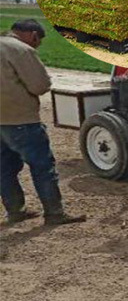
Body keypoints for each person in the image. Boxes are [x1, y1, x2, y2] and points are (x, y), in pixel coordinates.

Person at [0, 20, 86, 226]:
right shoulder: (21, 50)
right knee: (42, 167)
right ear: (33, 35)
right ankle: (55, 213)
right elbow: (40, 85)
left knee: (3, 169)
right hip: (21, 120)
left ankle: (15, 211)